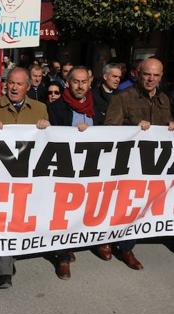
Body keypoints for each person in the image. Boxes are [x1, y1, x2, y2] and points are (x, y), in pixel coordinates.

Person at [0, 67, 49, 289]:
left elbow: (49, 143)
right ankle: (4, 271)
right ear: (5, 84)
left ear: (28, 86)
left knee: (20, 220)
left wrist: (46, 128)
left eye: (19, 84)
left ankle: (12, 255)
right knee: (2, 222)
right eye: (11, 83)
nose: (14, 87)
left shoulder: (40, 108)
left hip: (27, 178)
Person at [102, 58, 174, 270]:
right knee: (120, 204)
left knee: (141, 205)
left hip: (151, 166)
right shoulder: (122, 97)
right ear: (138, 74)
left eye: (156, 75)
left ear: (161, 77)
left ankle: (126, 245)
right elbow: (109, 129)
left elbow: (164, 127)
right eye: (147, 74)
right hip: (126, 164)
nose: (151, 79)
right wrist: (133, 127)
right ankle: (110, 242)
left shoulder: (164, 99)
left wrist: (170, 125)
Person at [47, 66, 96, 279]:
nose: (80, 86)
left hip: (92, 169)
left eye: (84, 81)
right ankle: (63, 257)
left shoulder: (99, 106)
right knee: (63, 213)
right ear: (68, 82)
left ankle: (77, 243)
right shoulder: (56, 108)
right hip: (65, 169)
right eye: (75, 81)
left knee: (84, 210)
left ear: (90, 83)